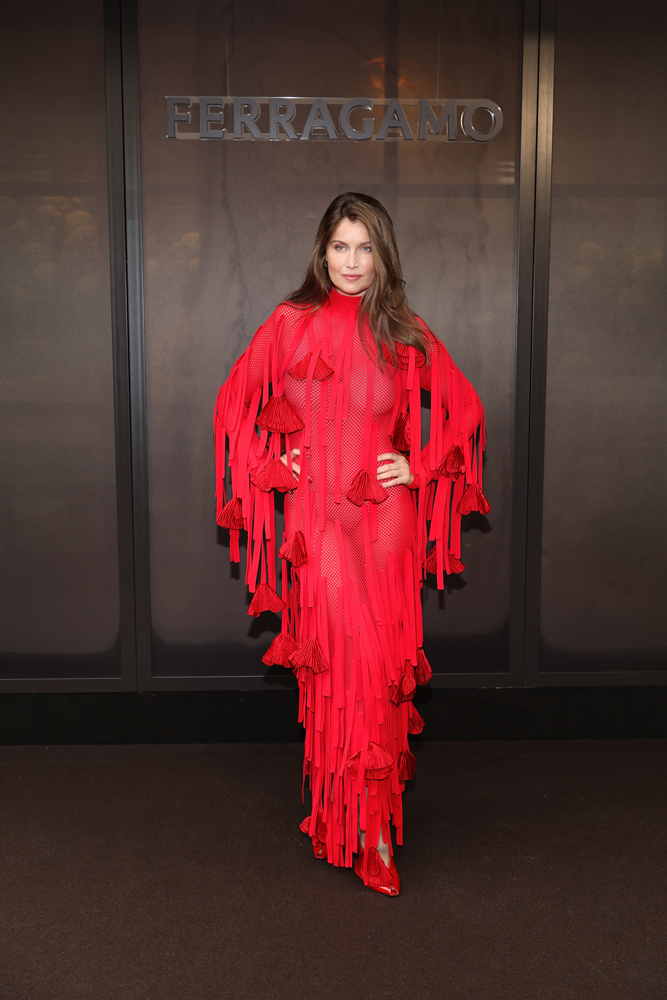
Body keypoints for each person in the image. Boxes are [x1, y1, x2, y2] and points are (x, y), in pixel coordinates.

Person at [214, 192, 488, 896]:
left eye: (365, 248)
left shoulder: (400, 329)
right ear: (321, 251)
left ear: (382, 255)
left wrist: (421, 466)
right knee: (342, 666)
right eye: (340, 246)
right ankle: (347, 818)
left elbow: (465, 411)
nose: (351, 262)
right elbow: (232, 406)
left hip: (384, 522)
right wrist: (272, 465)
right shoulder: (290, 322)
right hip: (316, 523)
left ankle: (373, 833)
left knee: (378, 666)